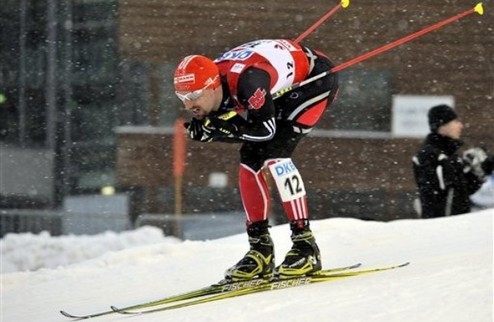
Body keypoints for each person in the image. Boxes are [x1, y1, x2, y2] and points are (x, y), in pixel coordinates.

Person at [173, 39, 338, 280]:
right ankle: (260, 249)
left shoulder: (249, 81)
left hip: (314, 80)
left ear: (212, 86)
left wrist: (218, 130)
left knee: (274, 152)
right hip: (281, 76)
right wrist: (214, 130)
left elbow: (265, 130)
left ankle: (306, 246)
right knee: (249, 156)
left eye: (194, 95)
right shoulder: (211, 91)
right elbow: (240, 129)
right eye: (182, 96)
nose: (189, 104)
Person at [412, 104, 494, 218]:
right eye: (455, 122)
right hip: (442, 229)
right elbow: (438, 198)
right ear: (441, 126)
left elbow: (461, 193)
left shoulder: (450, 156)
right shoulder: (430, 155)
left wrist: (481, 171)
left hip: (457, 226)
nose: (461, 126)